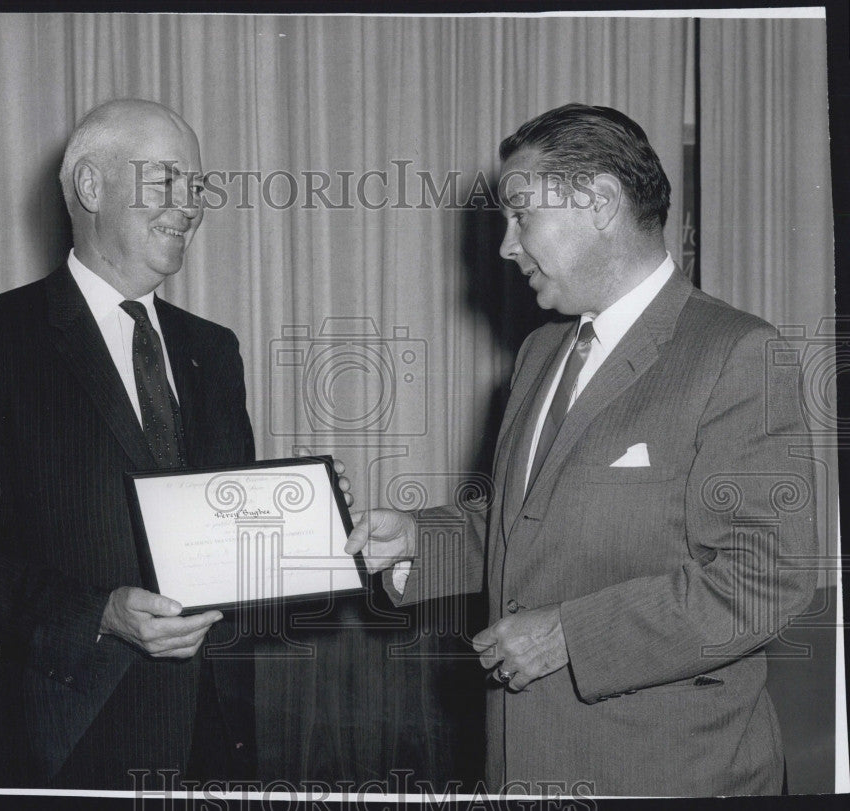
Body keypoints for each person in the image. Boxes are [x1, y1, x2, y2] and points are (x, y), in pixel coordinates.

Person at [346, 103, 818, 796]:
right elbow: (527, 530)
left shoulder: (737, 352)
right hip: (525, 767)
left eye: (522, 216)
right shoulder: (542, 352)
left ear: (600, 202)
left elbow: (765, 579)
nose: (507, 245)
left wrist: (569, 635)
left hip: (674, 775)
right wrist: (418, 538)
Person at [0, 98, 347, 789]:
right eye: (167, 181)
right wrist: (99, 614)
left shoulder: (212, 351)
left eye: (197, 186)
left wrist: (319, 534)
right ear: (92, 187)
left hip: (210, 745)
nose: (189, 205)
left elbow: (238, 553)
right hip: (52, 749)